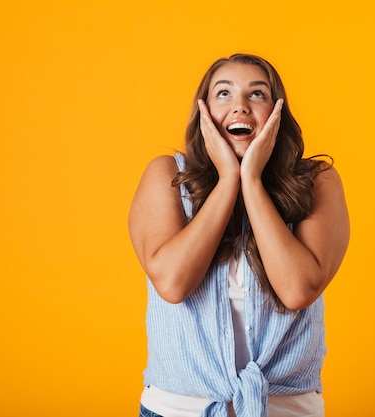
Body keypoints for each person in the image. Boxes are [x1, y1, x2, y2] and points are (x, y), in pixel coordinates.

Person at [129, 53, 350, 417]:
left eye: (258, 95)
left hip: (287, 410)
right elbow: (172, 283)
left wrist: (251, 180)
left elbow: (298, 290)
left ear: (277, 113)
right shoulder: (166, 175)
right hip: (177, 409)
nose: (240, 107)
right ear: (204, 112)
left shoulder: (317, 181)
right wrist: (228, 179)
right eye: (224, 94)